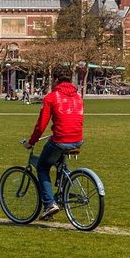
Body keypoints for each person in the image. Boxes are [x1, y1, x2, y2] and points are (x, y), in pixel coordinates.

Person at [23, 66, 84, 220]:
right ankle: (62, 188)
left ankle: (50, 203)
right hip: (77, 139)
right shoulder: (78, 97)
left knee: (42, 167)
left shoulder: (51, 97)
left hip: (61, 139)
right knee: (59, 161)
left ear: (55, 79)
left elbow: (41, 125)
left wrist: (31, 141)